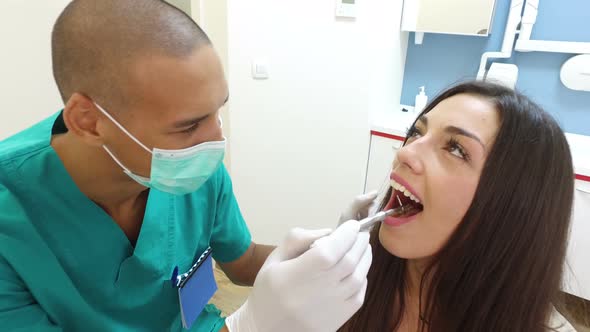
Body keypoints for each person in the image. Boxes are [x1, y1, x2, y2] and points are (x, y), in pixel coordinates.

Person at [0, 1, 373, 331]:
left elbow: (240, 262)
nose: (215, 144)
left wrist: (326, 253)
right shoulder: (13, 221)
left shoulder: (199, 172)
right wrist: (251, 325)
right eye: (189, 125)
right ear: (89, 121)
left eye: (217, 111)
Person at [339, 81, 577, 331]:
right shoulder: (353, 284)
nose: (405, 153)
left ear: (514, 206)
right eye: (417, 132)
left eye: (456, 149)